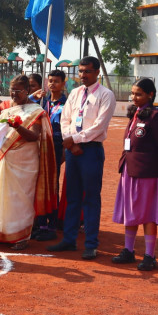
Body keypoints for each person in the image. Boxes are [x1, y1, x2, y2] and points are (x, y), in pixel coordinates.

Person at [48, 56, 116, 260]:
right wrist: (71, 141)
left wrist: (74, 140)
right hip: (72, 150)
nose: (83, 75)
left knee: (91, 198)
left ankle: (91, 244)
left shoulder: (106, 95)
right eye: (80, 71)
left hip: (91, 151)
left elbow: (99, 126)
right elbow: (65, 119)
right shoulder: (76, 93)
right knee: (73, 197)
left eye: (87, 71)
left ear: (97, 73)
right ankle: (69, 239)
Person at [0, 75, 56, 250]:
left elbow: (34, 136)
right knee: (0, 195)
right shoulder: (4, 107)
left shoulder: (35, 111)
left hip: (26, 163)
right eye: (12, 90)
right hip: (5, 158)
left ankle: (21, 237)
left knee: (21, 200)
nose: (14, 94)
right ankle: (1, 233)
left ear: (27, 91)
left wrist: (17, 126)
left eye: (18, 91)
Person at [112, 79, 158, 271]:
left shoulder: (155, 116)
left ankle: (149, 255)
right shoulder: (136, 113)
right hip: (129, 170)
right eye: (132, 93)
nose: (134, 97)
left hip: (147, 172)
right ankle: (128, 250)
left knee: (148, 213)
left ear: (150, 94)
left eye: (138, 94)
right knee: (130, 211)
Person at [30, 70, 67, 241]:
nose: (52, 84)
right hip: (40, 146)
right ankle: (41, 224)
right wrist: (34, 97)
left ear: (63, 83)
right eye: (50, 81)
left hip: (56, 147)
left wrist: (64, 154)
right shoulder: (42, 102)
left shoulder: (66, 103)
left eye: (56, 81)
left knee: (51, 186)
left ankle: (51, 226)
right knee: (40, 186)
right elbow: (23, 107)